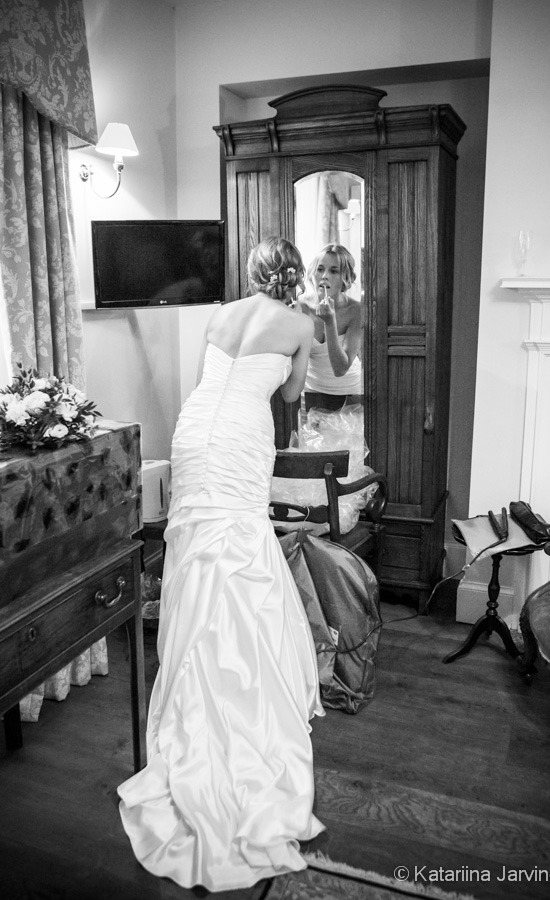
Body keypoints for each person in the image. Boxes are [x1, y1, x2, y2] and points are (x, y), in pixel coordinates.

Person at [117, 237, 325, 891]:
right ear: (291, 276)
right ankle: (241, 703)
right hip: (238, 436)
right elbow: (290, 397)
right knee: (239, 552)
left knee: (203, 553)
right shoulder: (302, 323)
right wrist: (304, 332)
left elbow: (211, 378)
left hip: (195, 429)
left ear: (251, 274)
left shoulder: (219, 313)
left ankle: (197, 686)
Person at [299, 243, 362, 411]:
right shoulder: (300, 306)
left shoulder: (356, 310)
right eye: (320, 269)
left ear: (345, 278)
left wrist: (330, 322)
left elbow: (340, 368)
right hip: (310, 391)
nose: (324, 276)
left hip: (349, 393)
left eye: (334, 271)